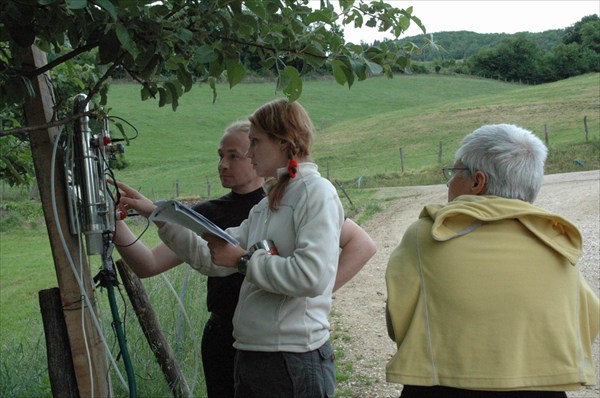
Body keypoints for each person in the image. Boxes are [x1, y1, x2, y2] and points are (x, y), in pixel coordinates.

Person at [115, 105, 375, 397]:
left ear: (284, 142)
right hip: (255, 355)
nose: (250, 153)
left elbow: (312, 277)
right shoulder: (267, 205)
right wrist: (159, 214)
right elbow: (209, 255)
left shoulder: (316, 193)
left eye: (255, 142)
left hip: (290, 359)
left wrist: (242, 261)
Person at [384, 124, 599, 398]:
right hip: (541, 390)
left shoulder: (426, 235)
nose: (449, 183)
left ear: (477, 182)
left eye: (454, 173)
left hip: (443, 387)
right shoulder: (558, 240)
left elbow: (396, 324)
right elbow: (587, 320)